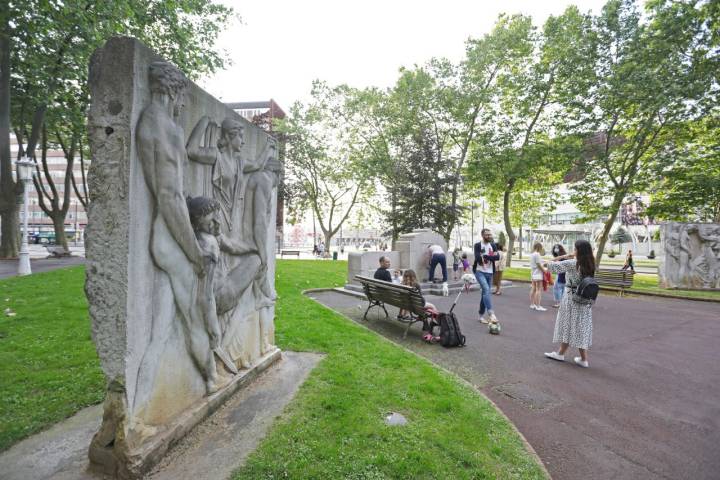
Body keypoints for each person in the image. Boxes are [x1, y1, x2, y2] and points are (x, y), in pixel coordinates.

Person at [544, 240, 596, 368]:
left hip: (571, 298)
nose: (573, 251)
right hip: (584, 299)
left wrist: (563, 256)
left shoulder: (573, 263)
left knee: (567, 324)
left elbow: (548, 264)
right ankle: (583, 359)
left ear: (579, 251)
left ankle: (561, 354)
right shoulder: (590, 265)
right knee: (580, 327)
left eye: (575, 249)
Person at [399, 269, 437, 339]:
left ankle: (430, 324)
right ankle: (438, 322)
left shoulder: (402, 285)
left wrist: (401, 314)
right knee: (432, 306)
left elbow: (402, 299)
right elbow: (420, 298)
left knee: (423, 310)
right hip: (418, 306)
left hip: (409, 306)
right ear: (414, 277)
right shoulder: (416, 285)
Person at [473, 228, 499, 323]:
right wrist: (482, 258)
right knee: (486, 290)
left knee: (484, 293)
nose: (489, 236)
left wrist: (487, 257)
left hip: (490, 272)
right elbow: (477, 257)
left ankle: (480, 315)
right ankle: (491, 314)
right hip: (480, 271)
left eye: (490, 234)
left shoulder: (493, 245)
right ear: (483, 235)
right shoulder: (478, 245)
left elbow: (497, 257)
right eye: (487, 235)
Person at [529, 242, 547, 311]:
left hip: (533, 272)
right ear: (539, 247)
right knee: (538, 289)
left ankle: (532, 304)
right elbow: (539, 264)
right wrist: (544, 271)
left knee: (533, 288)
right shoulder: (537, 254)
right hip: (538, 273)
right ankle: (538, 306)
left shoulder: (532, 254)